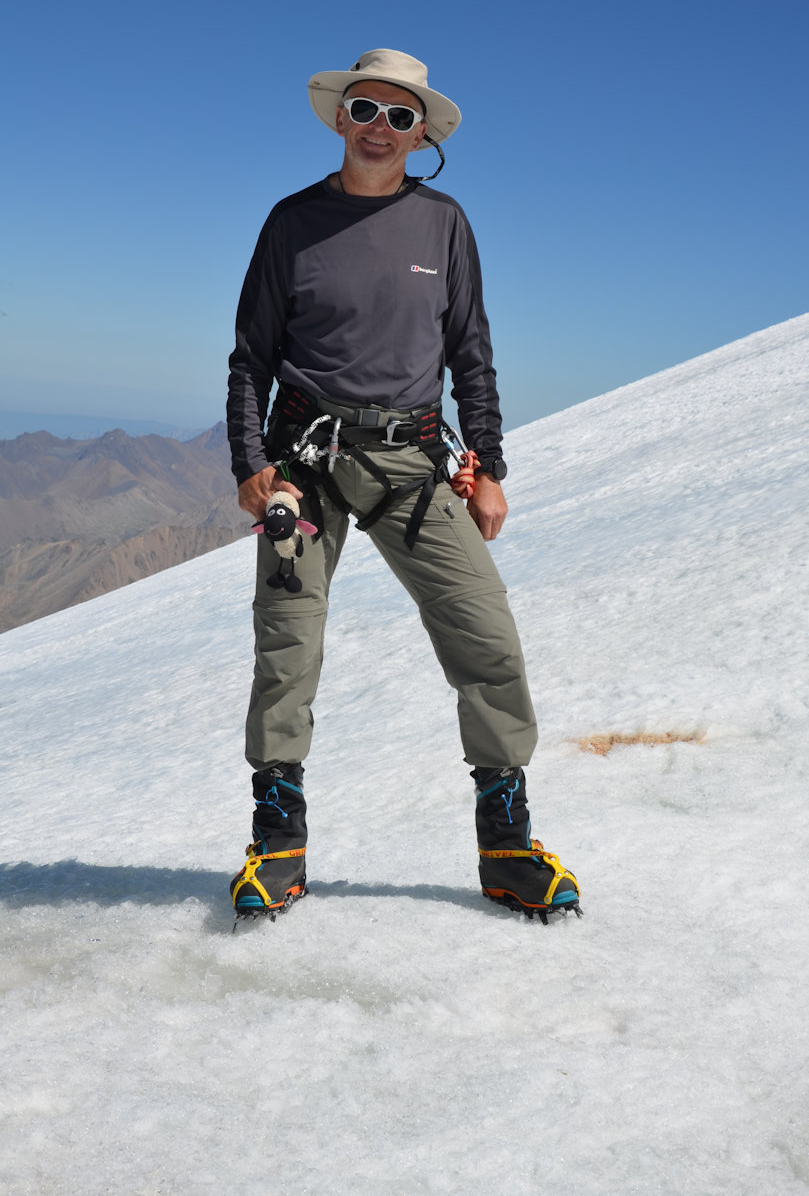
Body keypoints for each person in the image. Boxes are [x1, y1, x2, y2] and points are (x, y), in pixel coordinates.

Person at [226, 49, 580, 924]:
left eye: (398, 116)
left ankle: (506, 843)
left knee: (485, 635)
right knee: (288, 645)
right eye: (364, 109)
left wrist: (489, 468)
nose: (379, 128)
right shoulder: (290, 222)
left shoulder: (445, 225)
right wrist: (249, 462)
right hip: (304, 464)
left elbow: (471, 354)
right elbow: (251, 358)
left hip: (415, 463)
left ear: (423, 135)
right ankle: (277, 845)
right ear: (339, 118)